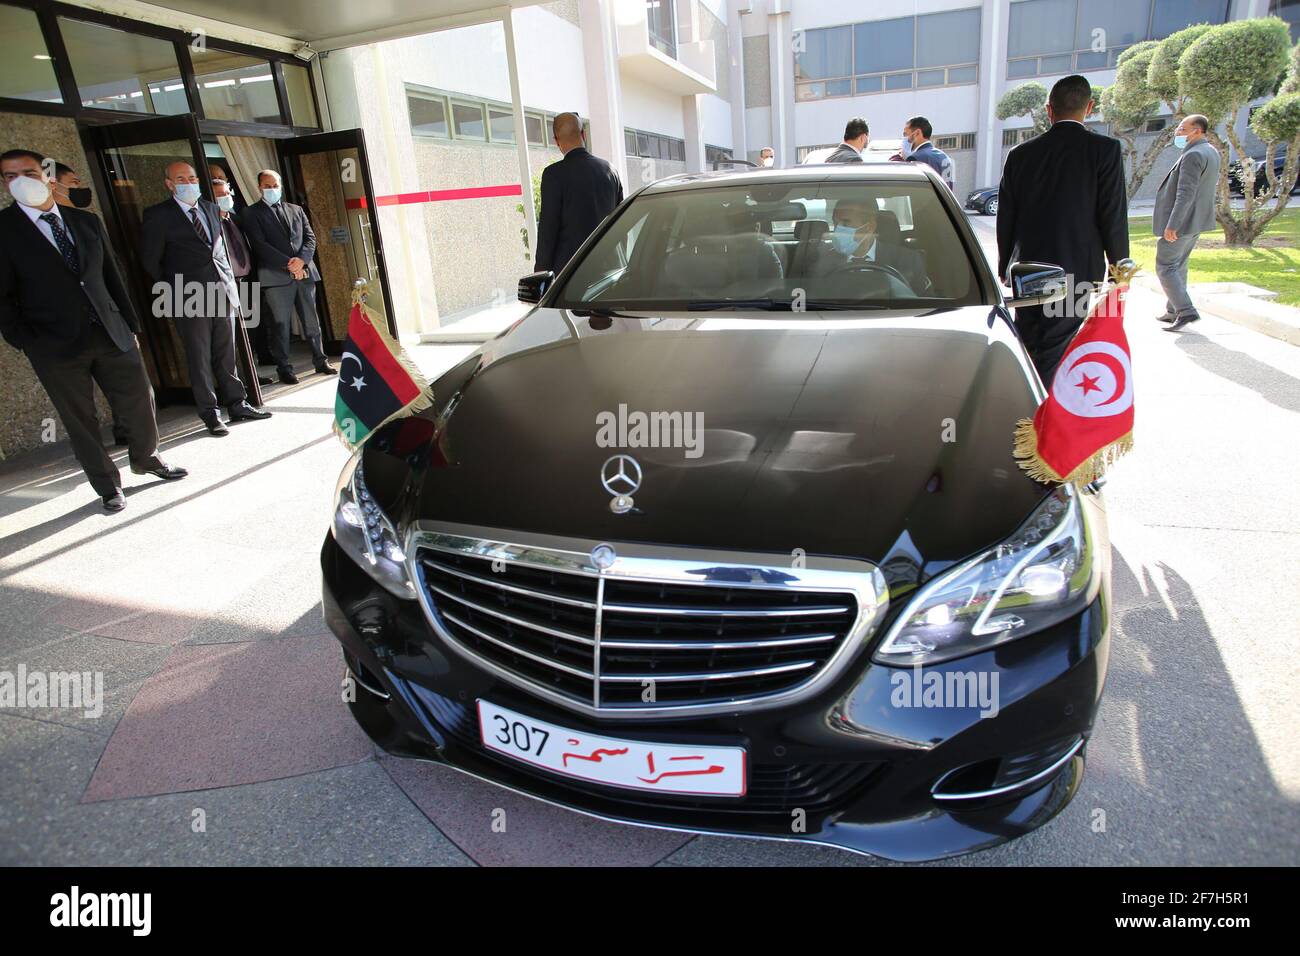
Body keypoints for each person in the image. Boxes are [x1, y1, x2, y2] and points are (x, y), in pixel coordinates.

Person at [0, 148, 186, 511]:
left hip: (110, 331)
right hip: (53, 345)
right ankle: (107, 486)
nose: (20, 181)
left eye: (28, 172)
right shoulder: (4, 231)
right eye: (9, 176)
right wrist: (26, 341)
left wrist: (131, 324)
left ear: (47, 175)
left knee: (139, 400)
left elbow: (113, 277)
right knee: (80, 418)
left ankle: (147, 458)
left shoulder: (85, 222)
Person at [997, 74, 1128, 382]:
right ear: (1090, 107)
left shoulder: (1021, 155)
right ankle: (1045, 415)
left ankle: (1028, 405)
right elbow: (1112, 213)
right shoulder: (1104, 150)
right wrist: (1119, 267)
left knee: (1030, 340)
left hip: (1029, 268)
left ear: (1048, 109)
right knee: (1061, 345)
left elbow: (1007, 216)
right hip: (1078, 269)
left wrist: (1004, 265)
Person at [139, 161, 271, 436]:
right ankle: (211, 414)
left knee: (226, 352)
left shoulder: (211, 208)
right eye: (181, 179)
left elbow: (218, 250)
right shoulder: (157, 215)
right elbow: (151, 261)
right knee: (199, 356)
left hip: (222, 291)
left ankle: (238, 404)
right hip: (188, 297)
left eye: (192, 177)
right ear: (169, 184)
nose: (188, 183)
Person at [239, 169, 337, 384]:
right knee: (280, 325)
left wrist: (301, 261)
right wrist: (289, 264)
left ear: (281, 186)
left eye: (275, 185)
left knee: (312, 321)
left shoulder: (296, 209)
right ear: (259, 188)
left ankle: (320, 360)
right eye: (267, 186)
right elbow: (259, 245)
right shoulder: (251, 213)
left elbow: (310, 238)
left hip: (304, 273)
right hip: (275, 277)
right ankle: (284, 368)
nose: (272, 189)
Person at [1153, 114, 1220, 332]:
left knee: (1165, 266)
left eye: (1183, 129)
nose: (1178, 132)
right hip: (1196, 222)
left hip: (1182, 223)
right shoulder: (1210, 151)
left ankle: (1185, 310)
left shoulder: (1193, 155)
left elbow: (1185, 194)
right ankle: (1173, 310)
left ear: (1197, 131)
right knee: (1178, 265)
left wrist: (1173, 225)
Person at [534, 112, 623, 274]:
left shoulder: (553, 175)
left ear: (556, 141)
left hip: (573, 279)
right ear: (583, 134)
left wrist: (540, 273)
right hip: (611, 271)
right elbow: (621, 222)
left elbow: (548, 230)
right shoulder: (610, 170)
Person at [212, 172, 272, 388]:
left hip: (246, 280)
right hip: (224, 286)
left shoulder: (236, 219)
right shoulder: (209, 224)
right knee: (232, 337)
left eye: (227, 193)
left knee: (250, 330)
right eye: (219, 195)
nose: (226, 198)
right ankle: (238, 382)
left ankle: (251, 375)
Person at [810, 197, 927, 292]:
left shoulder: (907, 260)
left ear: (870, 227)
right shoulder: (823, 263)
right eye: (835, 223)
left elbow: (924, 305)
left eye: (846, 223)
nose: (838, 230)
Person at [893, 117, 954, 192]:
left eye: (905, 134)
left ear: (917, 133)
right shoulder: (944, 156)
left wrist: (899, 158)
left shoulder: (915, 158)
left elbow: (907, 189)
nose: (904, 139)